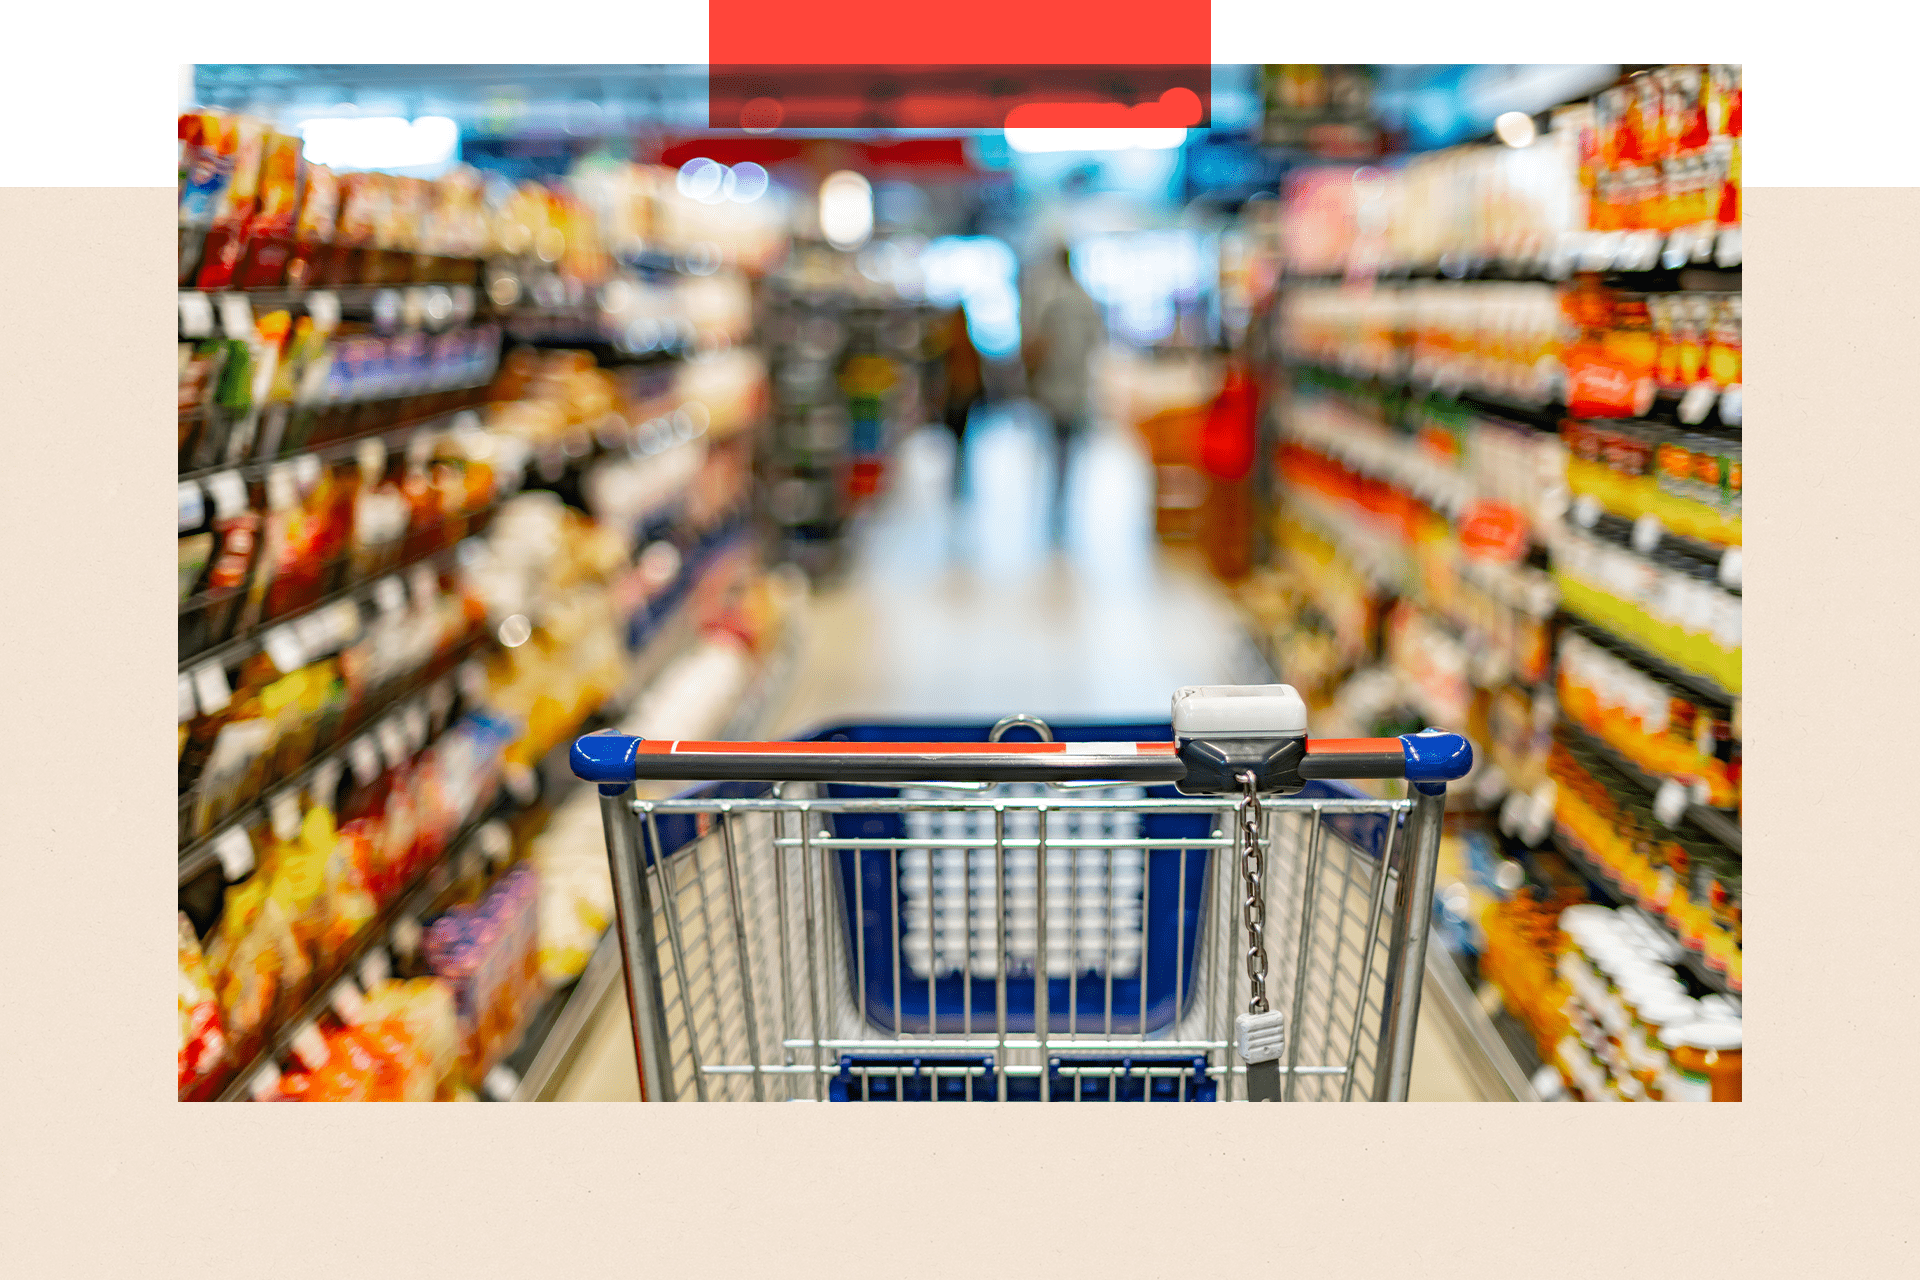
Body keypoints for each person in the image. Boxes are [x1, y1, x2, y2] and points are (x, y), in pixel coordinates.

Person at [1021, 244, 1104, 543]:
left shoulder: (1051, 300)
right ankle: (1063, 502)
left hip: (1053, 389)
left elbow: (1037, 345)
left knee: (1055, 448)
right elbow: (1096, 342)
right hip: (1076, 388)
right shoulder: (1085, 300)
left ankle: (1055, 503)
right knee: (1068, 451)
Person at [935, 304, 983, 495]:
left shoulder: (958, 343)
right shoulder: (954, 343)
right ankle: (958, 476)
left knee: (959, 439)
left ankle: (958, 477)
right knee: (958, 440)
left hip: (962, 397)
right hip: (959, 396)